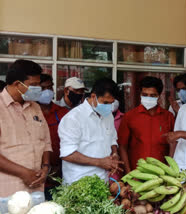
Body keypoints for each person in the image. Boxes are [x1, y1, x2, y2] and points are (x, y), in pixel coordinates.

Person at [0, 60, 52, 212]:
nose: (39, 89)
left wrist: (45, 167)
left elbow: (46, 141)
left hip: (36, 192)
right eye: (34, 85)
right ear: (17, 84)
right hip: (7, 194)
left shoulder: (34, 106)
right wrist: (24, 173)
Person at [58, 78, 123, 185]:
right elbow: (67, 154)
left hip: (102, 182)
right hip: (78, 184)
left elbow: (112, 139)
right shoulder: (73, 118)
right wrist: (100, 162)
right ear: (93, 96)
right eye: (105, 102)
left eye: (111, 103)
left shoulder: (108, 116)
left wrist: (115, 153)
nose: (108, 107)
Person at [118, 76, 175, 174]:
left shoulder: (168, 117)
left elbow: (173, 145)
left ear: (159, 95)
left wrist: (169, 171)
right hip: (136, 174)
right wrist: (128, 174)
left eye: (152, 95)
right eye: (145, 95)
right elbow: (122, 146)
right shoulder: (130, 116)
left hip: (161, 175)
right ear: (140, 94)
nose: (148, 98)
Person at [38, 74, 69, 200]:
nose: (47, 91)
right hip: (35, 172)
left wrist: (60, 167)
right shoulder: (28, 112)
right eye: (43, 88)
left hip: (59, 172)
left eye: (50, 87)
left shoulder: (63, 113)